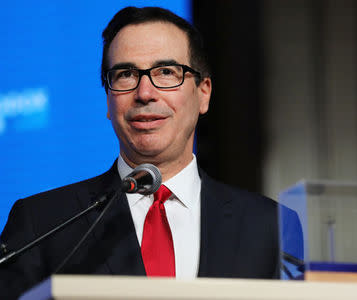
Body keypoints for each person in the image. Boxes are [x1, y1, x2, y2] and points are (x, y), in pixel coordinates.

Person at [0, 6, 282, 299]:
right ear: (108, 99)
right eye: (125, 74)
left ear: (203, 93)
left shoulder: (270, 226)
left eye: (166, 72)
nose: (145, 93)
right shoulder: (44, 224)